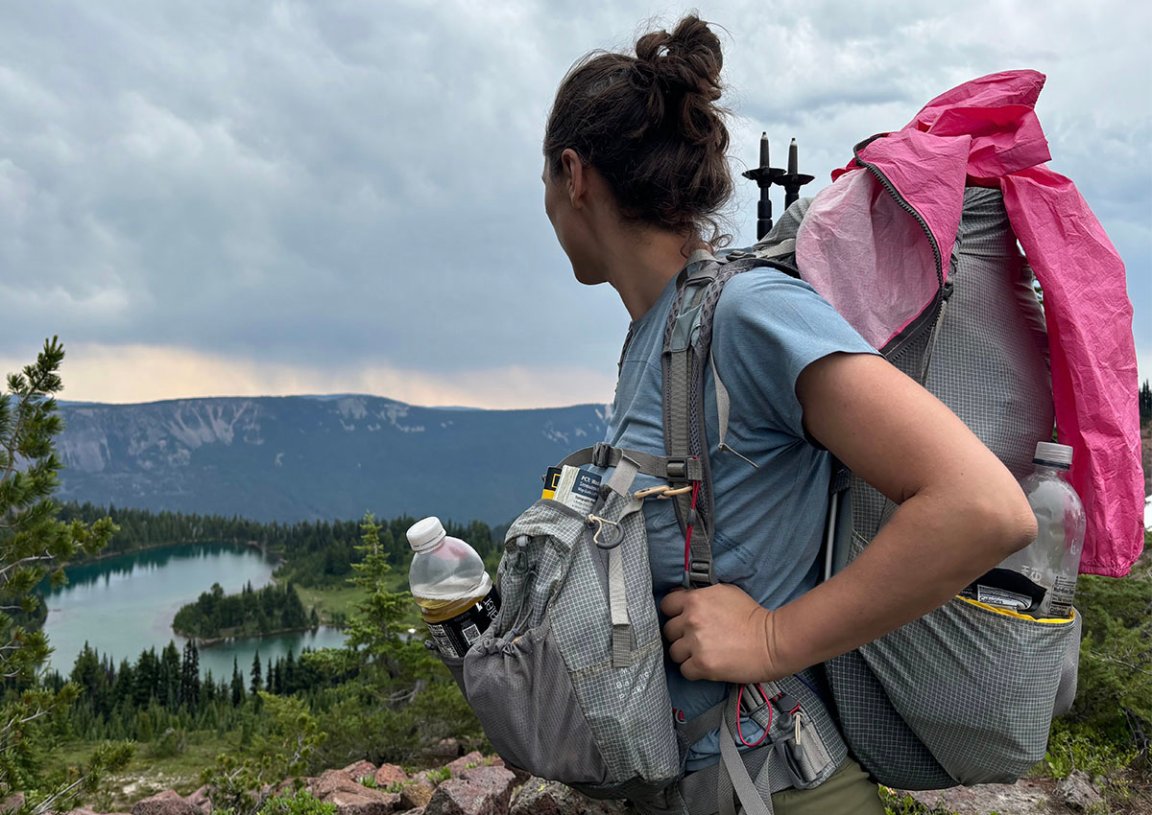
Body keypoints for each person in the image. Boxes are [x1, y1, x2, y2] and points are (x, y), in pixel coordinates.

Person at [541, 14, 1038, 815]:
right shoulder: (658, 333)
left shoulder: (747, 312)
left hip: (783, 787)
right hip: (705, 785)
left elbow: (981, 506)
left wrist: (771, 640)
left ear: (575, 174)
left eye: (545, 185)